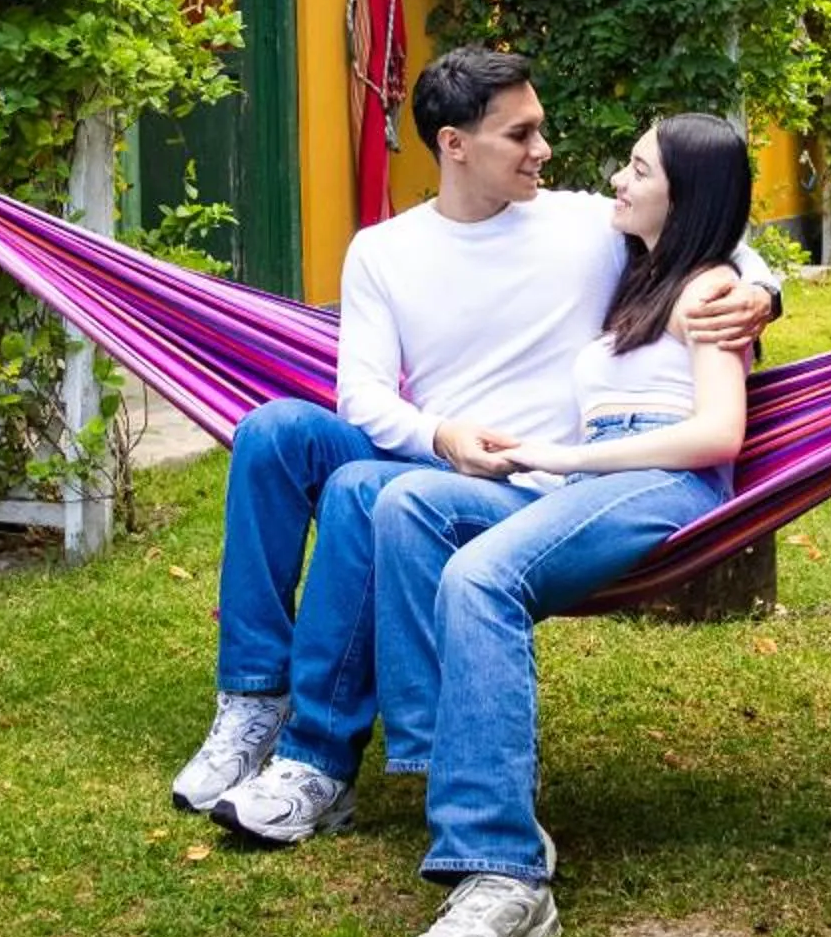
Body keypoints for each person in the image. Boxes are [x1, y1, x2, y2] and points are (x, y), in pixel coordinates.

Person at [173, 50, 776, 828]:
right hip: (433, 451)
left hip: (531, 480)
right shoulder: (384, 251)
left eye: (540, 128)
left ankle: (318, 761)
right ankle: (254, 699)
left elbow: (703, 226)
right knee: (274, 432)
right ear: (454, 145)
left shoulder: (586, 225)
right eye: (520, 135)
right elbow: (361, 395)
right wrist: (439, 434)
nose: (543, 150)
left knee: (361, 492)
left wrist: (762, 291)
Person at [375, 112, 756, 937]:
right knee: (408, 503)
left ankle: (506, 874)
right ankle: (451, 762)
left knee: (481, 577)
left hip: (663, 482)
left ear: (685, 197)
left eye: (639, 170)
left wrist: (565, 457)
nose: (618, 179)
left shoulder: (707, 288)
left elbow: (718, 434)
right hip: (593, 481)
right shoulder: (637, 272)